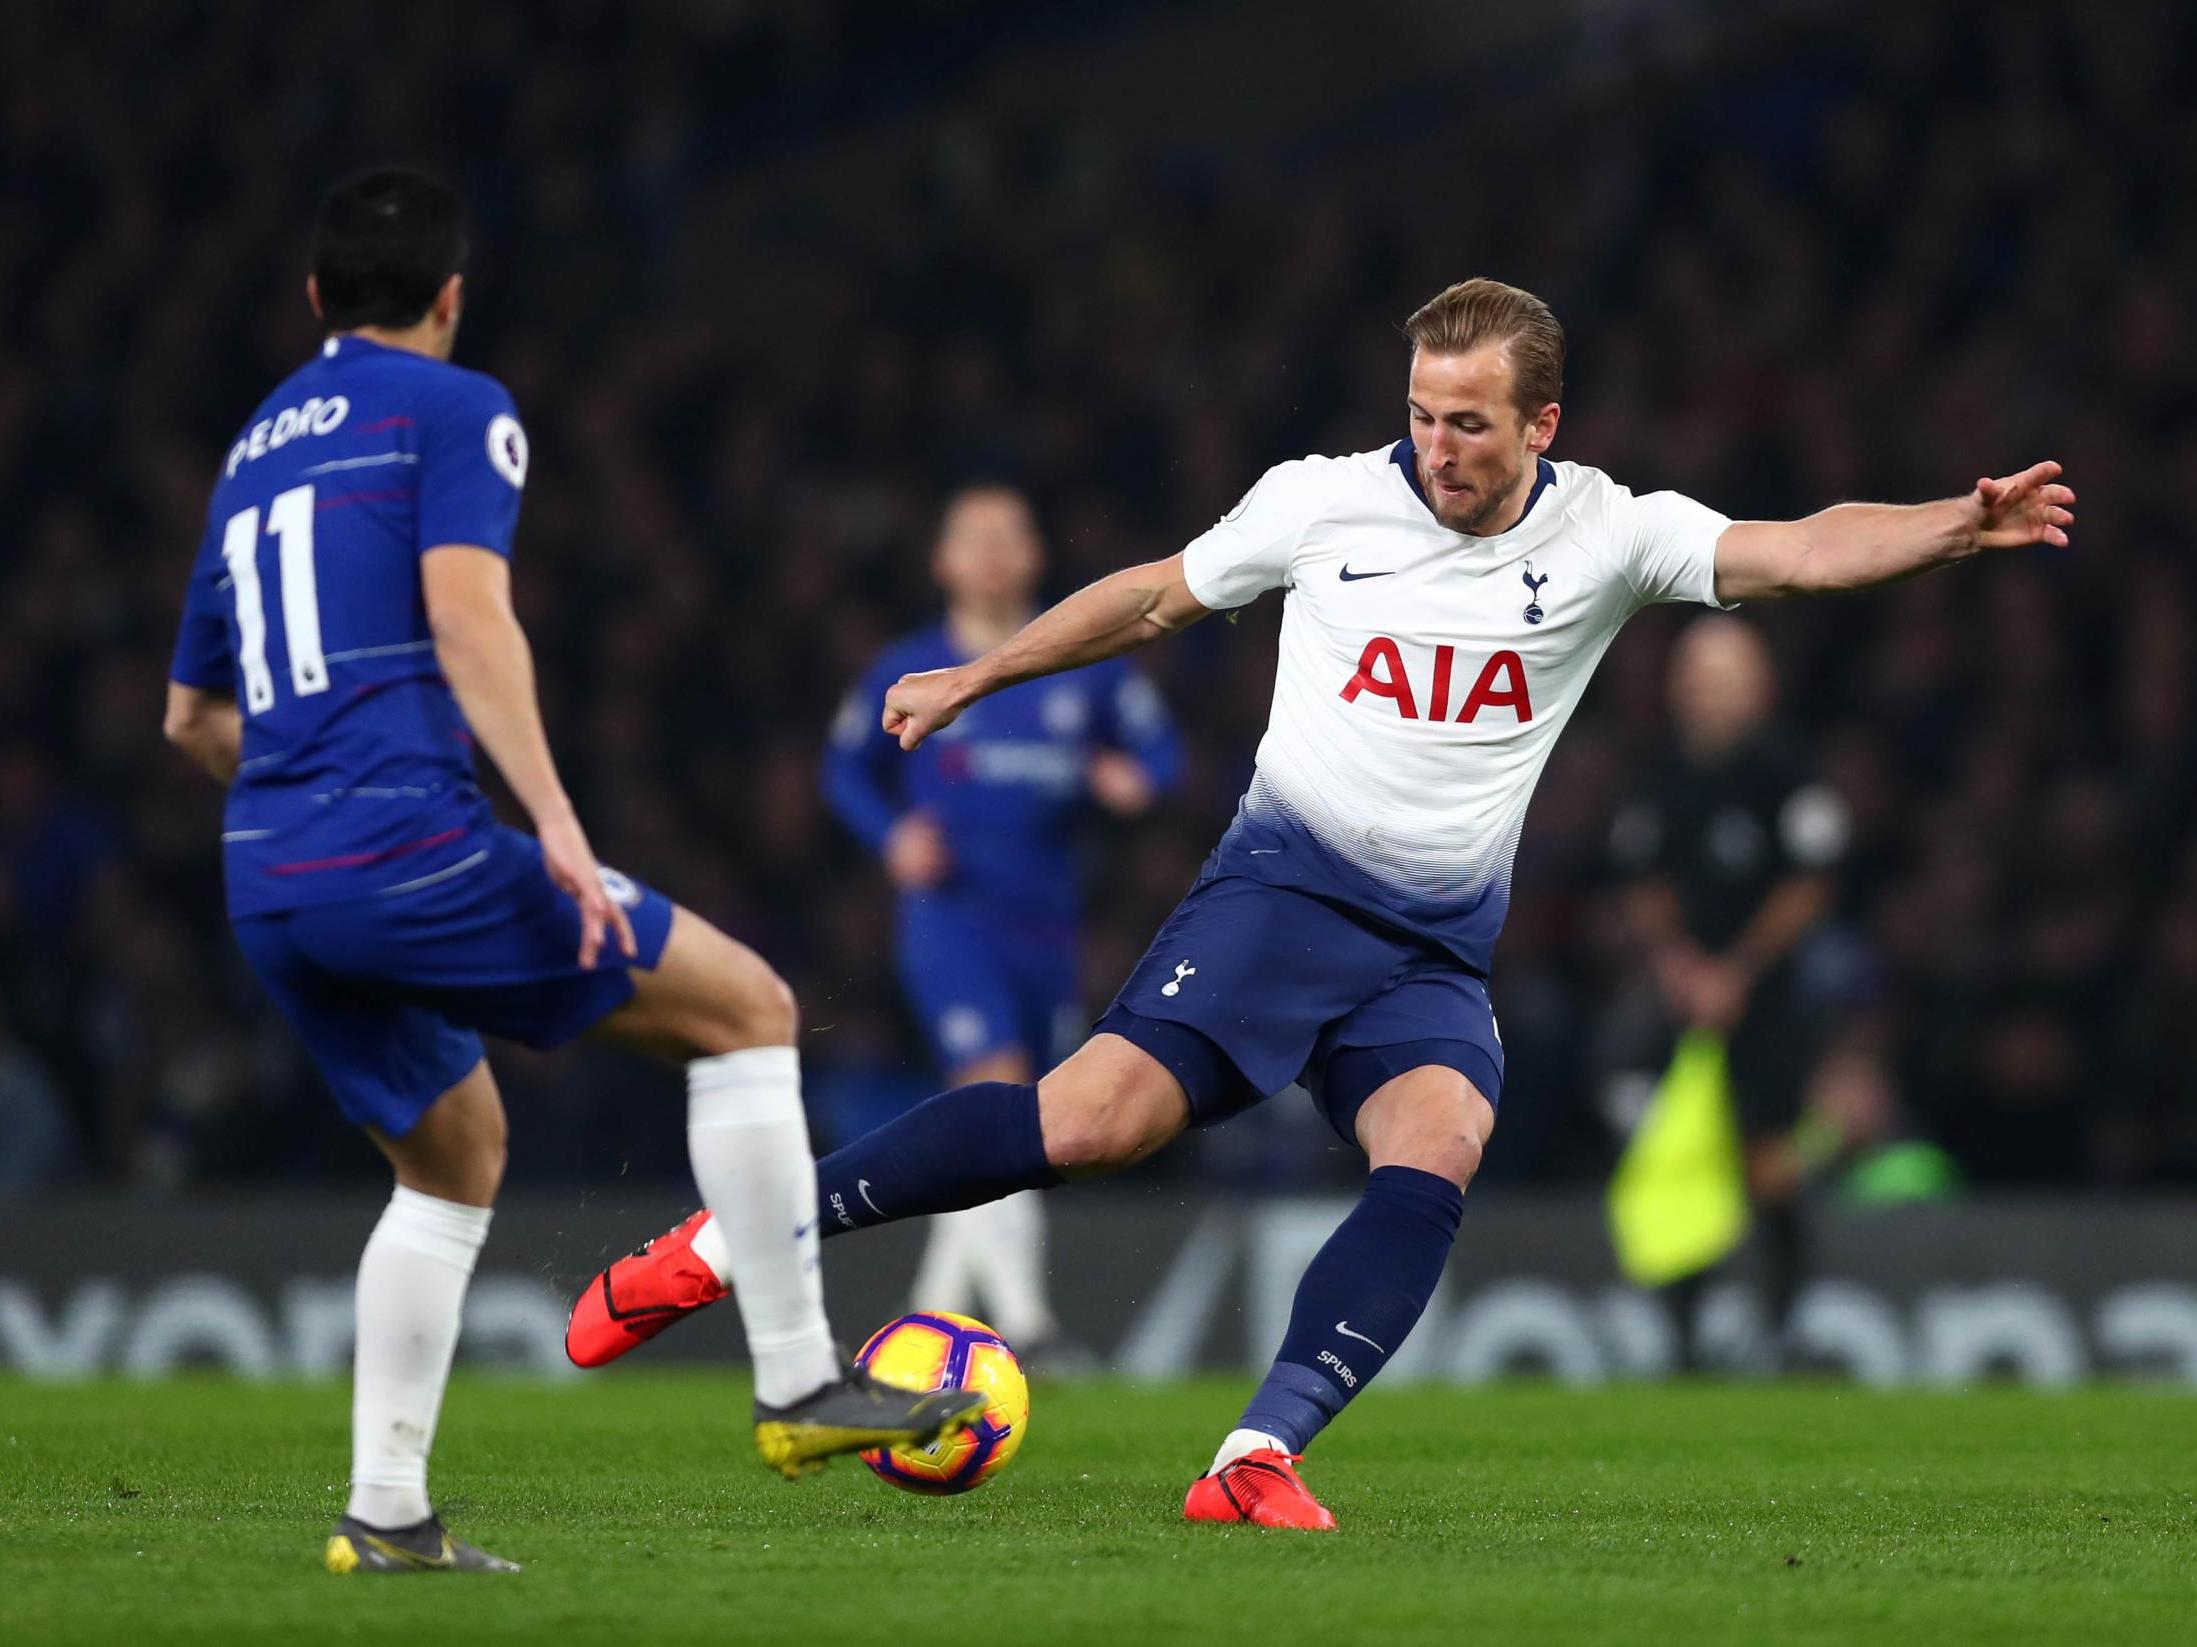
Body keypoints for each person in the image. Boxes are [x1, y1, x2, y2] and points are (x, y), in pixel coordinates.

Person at [566, 277, 2074, 1530]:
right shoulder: (1326, 503)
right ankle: (724, 1244)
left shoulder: (1607, 531)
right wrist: (981, 671)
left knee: (1441, 1139)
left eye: (1470, 423)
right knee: (1083, 1124)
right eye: (1421, 413)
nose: (1438, 447)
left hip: (1432, 945)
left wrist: (1956, 519)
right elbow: (1156, 592)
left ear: (1542, 423)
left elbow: (1798, 551)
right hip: (1280, 893)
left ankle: (1255, 1455)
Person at [161, 169, 980, 1576]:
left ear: (313, 302)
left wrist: (305, 809)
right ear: (452, 295)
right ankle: (797, 1379)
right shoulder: (456, 408)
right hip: (405, 844)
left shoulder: (251, 449)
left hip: (272, 875)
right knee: (751, 1008)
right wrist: (548, 817)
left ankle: (389, 1514)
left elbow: (188, 719)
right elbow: (469, 617)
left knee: (454, 1153)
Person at [565, 484, 1179, 1371]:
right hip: (951, 918)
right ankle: (1028, 1324)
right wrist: (892, 834)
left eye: (1012, 534)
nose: (996, 552)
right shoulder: (914, 666)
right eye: (975, 537)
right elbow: (843, 768)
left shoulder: (1083, 664)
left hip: (1049, 926)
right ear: (943, 561)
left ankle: (929, 1314)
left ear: (1036, 554)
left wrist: (1135, 779)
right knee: (999, 1085)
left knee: (1015, 1121)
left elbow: (1162, 756)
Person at [1606, 616, 1852, 1366]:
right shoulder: (1658, 772)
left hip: (1771, 997)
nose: (1706, 691)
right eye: (1695, 675)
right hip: (1684, 999)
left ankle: (1783, 1322)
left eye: (1724, 676)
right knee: (1683, 1156)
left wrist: (1736, 971)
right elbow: (1641, 881)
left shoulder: (1787, 770)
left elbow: (1809, 885)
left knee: (1766, 1154)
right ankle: (1684, 1335)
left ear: (1759, 687)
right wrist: (1682, 967)